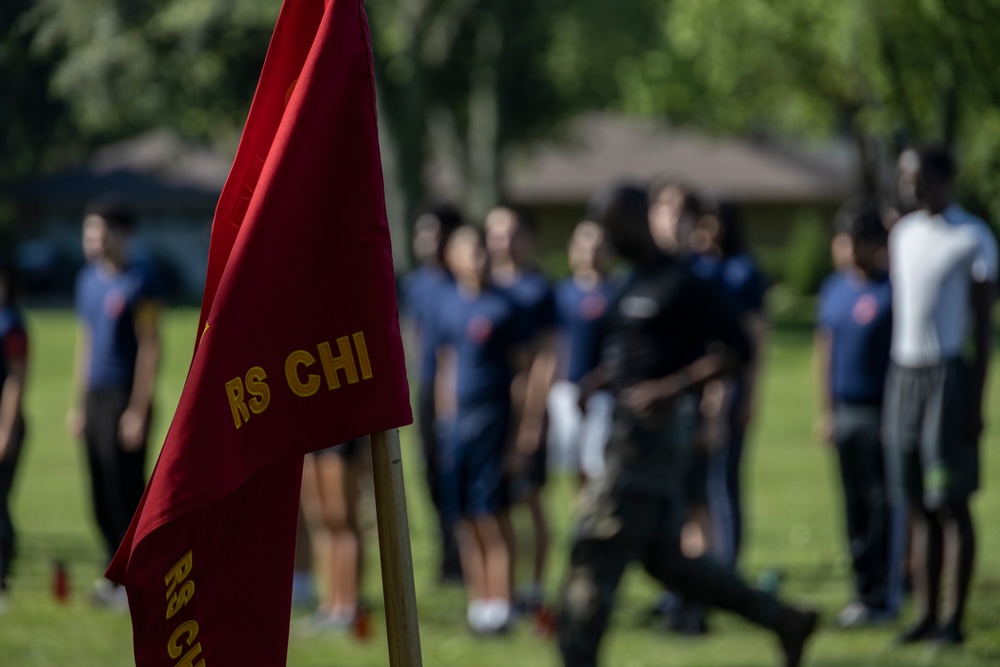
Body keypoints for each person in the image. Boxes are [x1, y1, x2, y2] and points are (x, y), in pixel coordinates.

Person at [557, 183, 817, 667]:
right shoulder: (629, 281)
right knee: (668, 562)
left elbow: (738, 349)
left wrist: (672, 389)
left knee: (595, 548)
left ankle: (577, 657)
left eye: (612, 228)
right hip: (622, 432)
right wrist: (599, 381)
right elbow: (635, 355)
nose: (607, 239)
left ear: (635, 221)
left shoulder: (686, 282)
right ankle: (783, 617)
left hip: (654, 441)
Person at [883, 146, 996, 645]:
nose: (911, 184)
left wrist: (975, 402)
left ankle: (954, 620)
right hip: (903, 374)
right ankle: (924, 613)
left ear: (944, 178)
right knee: (916, 502)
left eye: (920, 175)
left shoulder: (971, 237)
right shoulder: (902, 235)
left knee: (949, 499)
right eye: (905, 175)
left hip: (946, 376)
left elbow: (985, 328)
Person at [432, 225, 529, 634]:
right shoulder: (448, 307)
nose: (479, 255)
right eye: (468, 248)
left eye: (481, 248)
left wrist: (521, 435)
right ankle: (479, 604)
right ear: (451, 258)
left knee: (492, 514)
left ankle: (502, 604)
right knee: (465, 518)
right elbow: (445, 367)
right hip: (457, 428)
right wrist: (442, 422)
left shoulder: (504, 308)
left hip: (494, 421)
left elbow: (523, 374)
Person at [67, 195, 162, 607]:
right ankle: (113, 574)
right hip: (95, 396)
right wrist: (78, 403)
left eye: (100, 230)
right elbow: (86, 341)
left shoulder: (142, 280)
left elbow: (150, 344)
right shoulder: (86, 280)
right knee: (100, 490)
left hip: (126, 395)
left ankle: (137, 579)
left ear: (124, 235)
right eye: (88, 230)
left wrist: (138, 408)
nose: (93, 238)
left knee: (126, 489)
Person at [815, 202, 895, 628]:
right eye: (839, 241)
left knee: (882, 504)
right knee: (853, 506)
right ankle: (862, 590)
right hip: (844, 412)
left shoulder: (891, 290)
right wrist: (825, 411)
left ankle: (887, 592)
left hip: (879, 413)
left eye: (850, 241)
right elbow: (824, 352)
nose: (843, 250)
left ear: (871, 245)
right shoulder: (834, 290)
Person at [689, 200, 770, 570]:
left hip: (730, 382)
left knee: (724, 479)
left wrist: (749, 395)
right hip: (693, 384)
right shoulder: (694, 268)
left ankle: (728, 562)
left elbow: (755, 338)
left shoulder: (742, 271)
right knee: (694, 484)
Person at [484, 206, 557, 608]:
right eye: (494, 233)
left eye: (511, 232)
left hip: (526, 409)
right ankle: (501, 590)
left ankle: (536, 587)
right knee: (494, 506)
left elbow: (545, 357)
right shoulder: (483, 285)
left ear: (526, 237)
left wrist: (533, 419)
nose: (503, 241)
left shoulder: (538, 289)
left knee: (530, 498)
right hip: (490, 413)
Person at [399, 203, 463, 583]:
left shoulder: (462, 280)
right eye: (422, 233)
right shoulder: (416, 284)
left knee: (458, 469)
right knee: (431, 471)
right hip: (425, 386)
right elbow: (411, 332)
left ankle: (465, 553)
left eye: (434, 233)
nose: (426, 241)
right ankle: (445, 551)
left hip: (459, 388)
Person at [548, 221, 616, 483]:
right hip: (566, 392)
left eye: (598, 246)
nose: (590, 252)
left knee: (601, 469)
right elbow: (552, 344)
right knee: (574, 469)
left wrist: (597, 381)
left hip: (604, 394)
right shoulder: (560, 293)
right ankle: (585, 522)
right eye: (583, 245)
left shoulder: (616, 292)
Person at [300, 437, 371, 631]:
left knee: (340, 518)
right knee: (318, 518)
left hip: (342, 431)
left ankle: (347, 607)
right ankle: (328, 606)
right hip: (310, 428)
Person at [0, 266, 28, 610]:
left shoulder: (12, 324)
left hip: (5, 425)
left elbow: (16, 379)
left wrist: (6, 430)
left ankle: (2, 579)